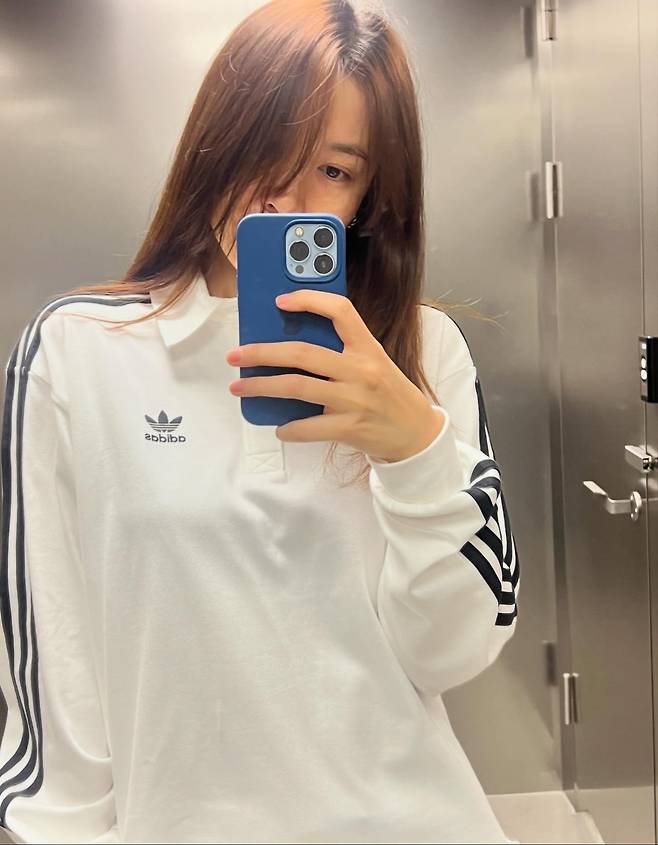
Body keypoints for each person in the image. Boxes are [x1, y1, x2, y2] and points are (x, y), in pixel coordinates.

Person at [0, 0, 521, 842]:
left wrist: (416, 450)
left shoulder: (423, 352)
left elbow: (451, 652)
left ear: (371, 198)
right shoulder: (77, 352)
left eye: (336, 170)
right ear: (215, 141)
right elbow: (54, 681)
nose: (287, 197)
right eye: (266, 147)